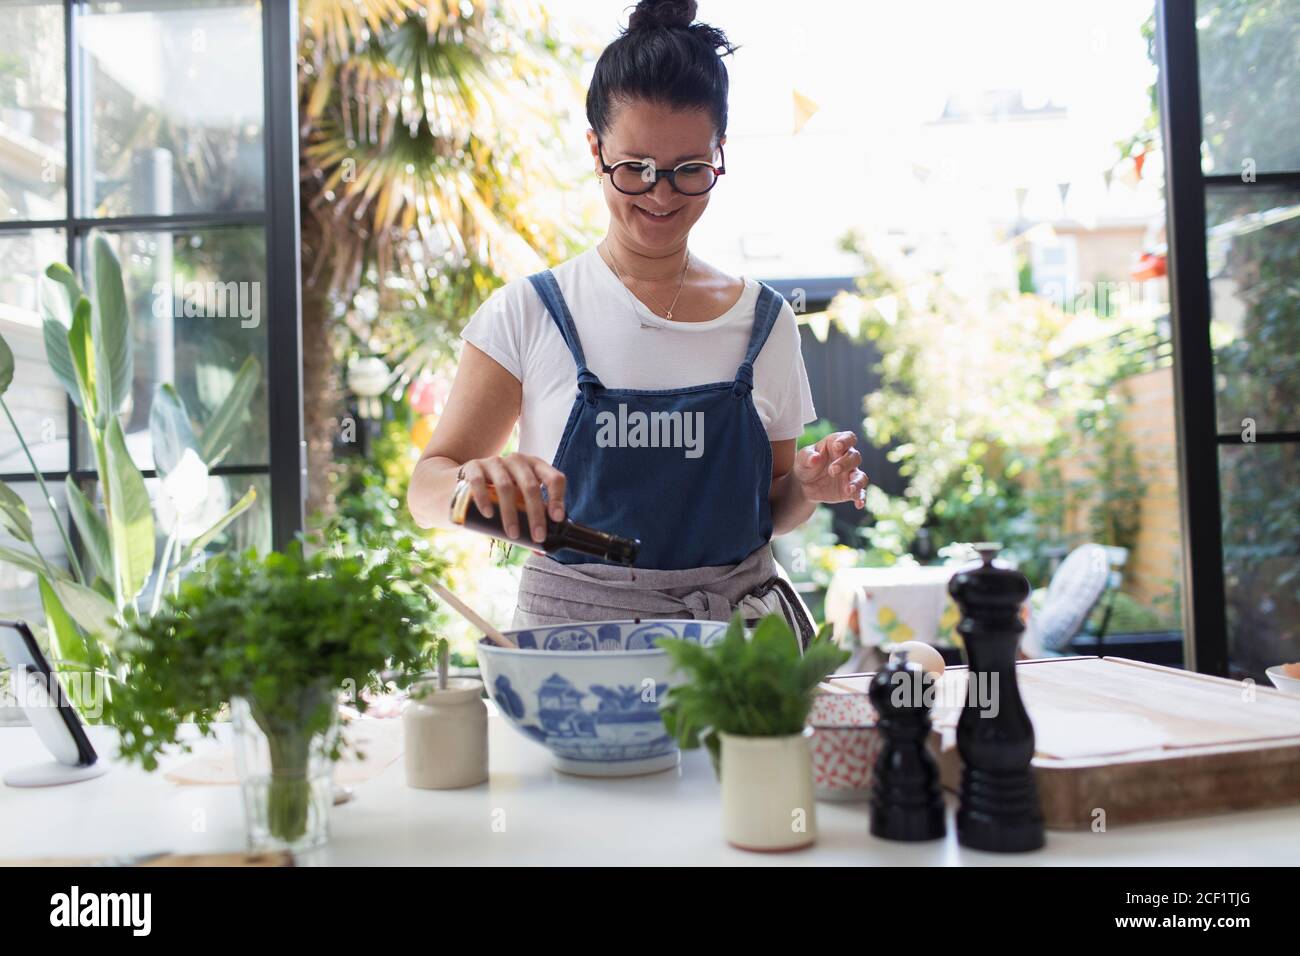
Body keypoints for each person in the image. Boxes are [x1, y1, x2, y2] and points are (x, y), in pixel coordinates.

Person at [408, 0, 868, 646]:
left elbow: (770, 510)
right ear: (596, 150)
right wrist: (470, 479)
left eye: (689, 171)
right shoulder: (531, 313)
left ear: (720, 154)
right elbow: (425, 491)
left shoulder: (767, 324)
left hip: (735, 658)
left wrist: (811, 489)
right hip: (575, 652)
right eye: (636, 169)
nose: (660, 195)